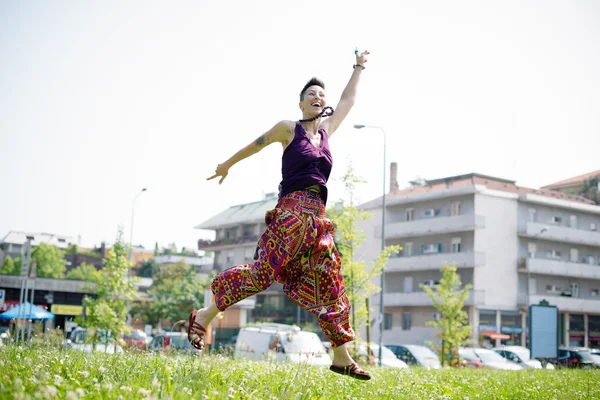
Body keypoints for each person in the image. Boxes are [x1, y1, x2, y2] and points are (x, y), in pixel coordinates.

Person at [188, 49, 372, 380]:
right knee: (262, 275)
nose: (318, 97)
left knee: (331, 282)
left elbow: (348, 101)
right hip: (289, 215)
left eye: (321, 94)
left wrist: (358, 68)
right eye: (311, 94)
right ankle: (205, 314)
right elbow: (255, 145)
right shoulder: (288, 129)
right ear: (301, 104)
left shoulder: (327, 131)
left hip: (318, 222)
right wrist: (226, 165)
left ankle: (342, 356)